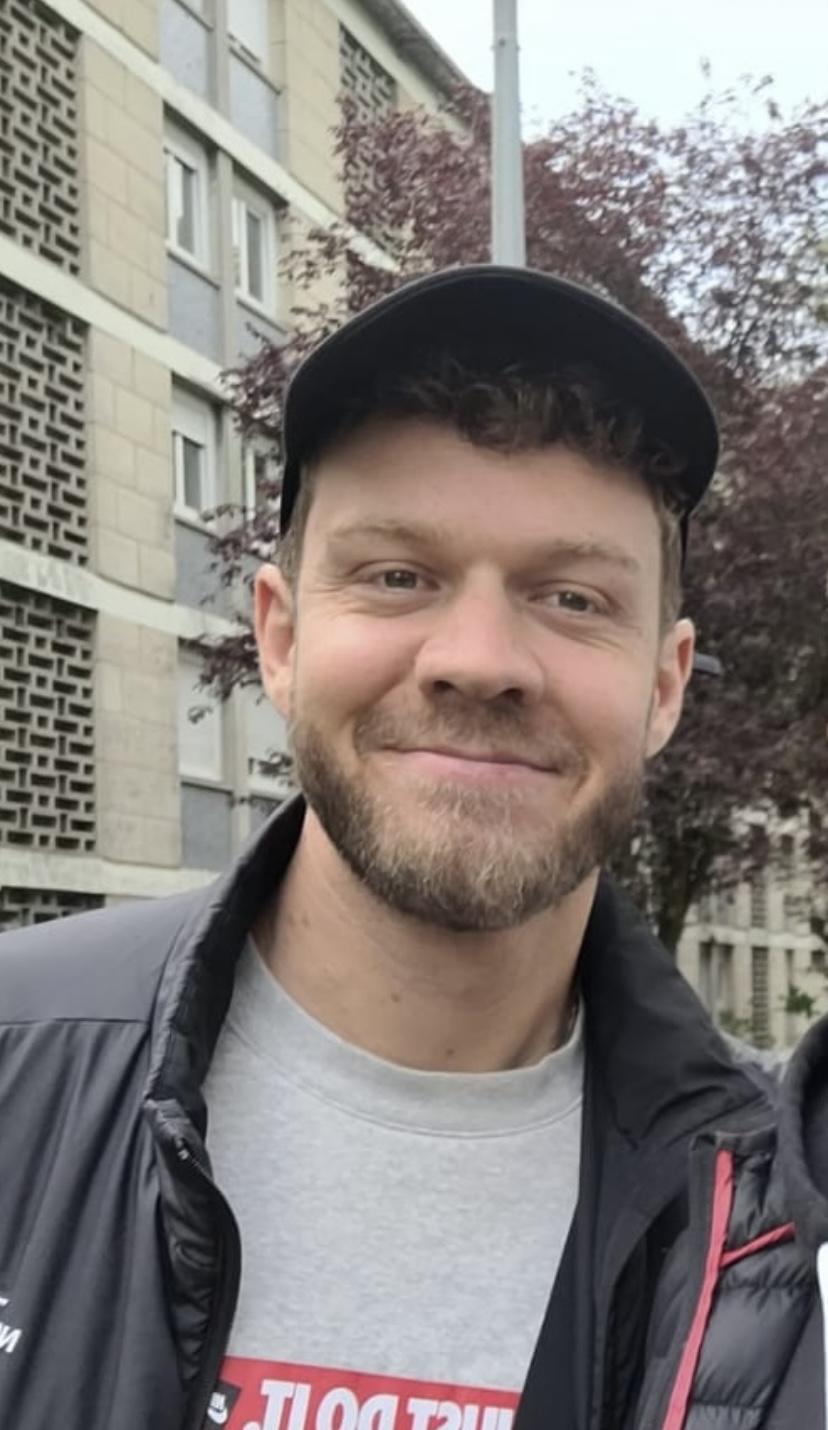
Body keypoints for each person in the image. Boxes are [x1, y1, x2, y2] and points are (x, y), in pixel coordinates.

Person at [0, 265, 821, 1430]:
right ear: (281, 638)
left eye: (573, 597)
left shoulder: (791, 1222)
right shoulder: (15, 1065)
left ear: (664, 684)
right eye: (398, 576)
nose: (478, 659)